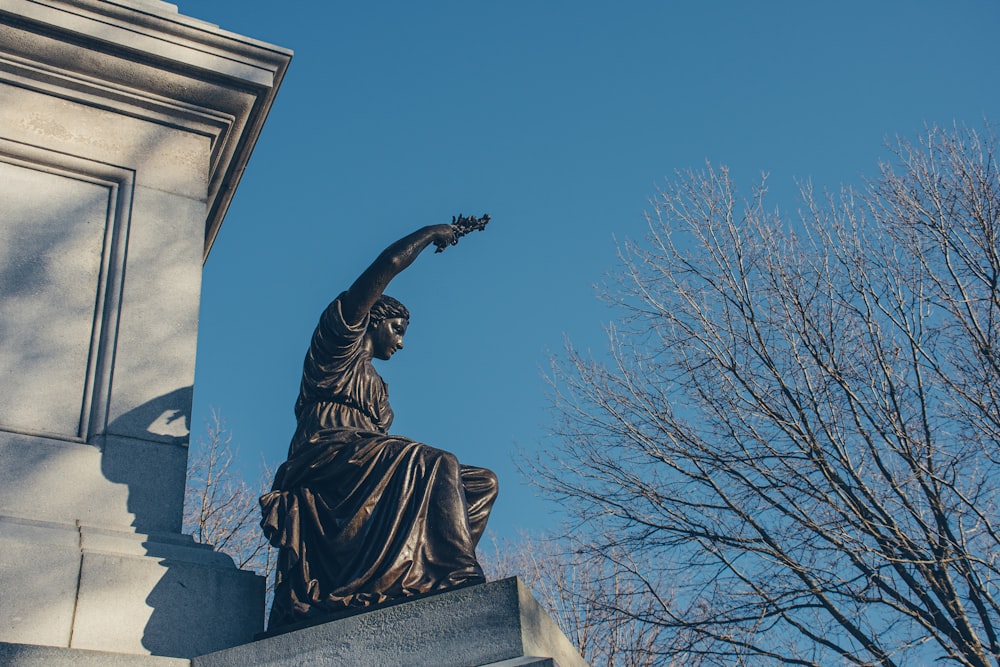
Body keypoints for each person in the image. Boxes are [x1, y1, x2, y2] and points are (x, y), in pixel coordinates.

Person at [260, 221, 497, 630]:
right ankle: (457, 573)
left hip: (365, 465)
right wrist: (428, 235)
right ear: (372, 319)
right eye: (397, 330)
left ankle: (415, 578)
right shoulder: (338, 345)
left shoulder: (378, 388)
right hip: (327, 455)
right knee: (434, 462)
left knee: (480, 483)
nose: (401, 343)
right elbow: (386, 265)